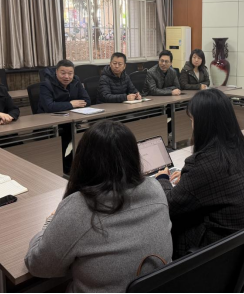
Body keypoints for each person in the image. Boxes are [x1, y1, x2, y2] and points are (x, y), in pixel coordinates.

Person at [26, 121, 173, 293]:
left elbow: (38, 265)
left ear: (83, 160)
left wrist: (49, 223)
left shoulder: (78, 207)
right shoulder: (155, 188)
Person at [155, 89, 244, 268]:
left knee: (171, 222)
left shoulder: (204, 165)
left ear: (203, 124)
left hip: (227, 257)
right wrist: (188, 176)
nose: (192, 125)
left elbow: (169, 205)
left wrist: (163, 178)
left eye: (192, 120)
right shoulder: (243, 148)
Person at [39, 60, 92, 175]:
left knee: (87, 135)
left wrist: (68, 105)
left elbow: (87, 100)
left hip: (71, 120)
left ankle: (78, 165)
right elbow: (49, 107)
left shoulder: (76, 81)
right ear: (56, 72)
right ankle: (67, 169)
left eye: (70, 73)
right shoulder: (46, 84)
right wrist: (71, 104)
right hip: (51, 123)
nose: (67, 76)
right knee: (68, 136)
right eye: (63, 73)